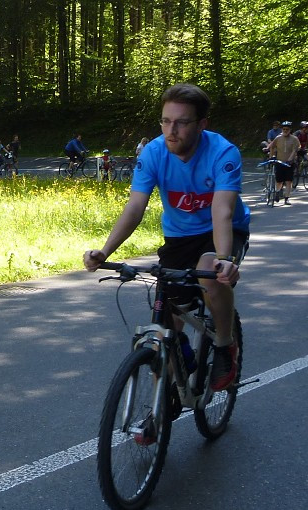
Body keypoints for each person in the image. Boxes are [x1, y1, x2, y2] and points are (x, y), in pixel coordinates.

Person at [85, 83, 249, 392]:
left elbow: (222, 211)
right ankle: (160, 405)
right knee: (164, 326)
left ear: (202, 125)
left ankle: (226, 346)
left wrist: (225, 260)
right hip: (179, 236)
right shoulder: (154, 152)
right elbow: (135, 207)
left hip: (223, 231)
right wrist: (104, 251)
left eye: (182, 122)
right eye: (165, 121)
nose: (171, 130)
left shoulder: (223, 153)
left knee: (212, 275)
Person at [266, 121, 300, 205]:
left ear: (290, 130)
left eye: (287, 129)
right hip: (279, 162)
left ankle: (287, 198)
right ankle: (277, 192)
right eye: (284, 129)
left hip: (289, 163)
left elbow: (295, 150)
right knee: (279, 181)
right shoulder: (278, 138)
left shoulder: (294, 139)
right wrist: (271, 157)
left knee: (289, 181)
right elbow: (272, 147)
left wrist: (290, 159)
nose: (285, 130)